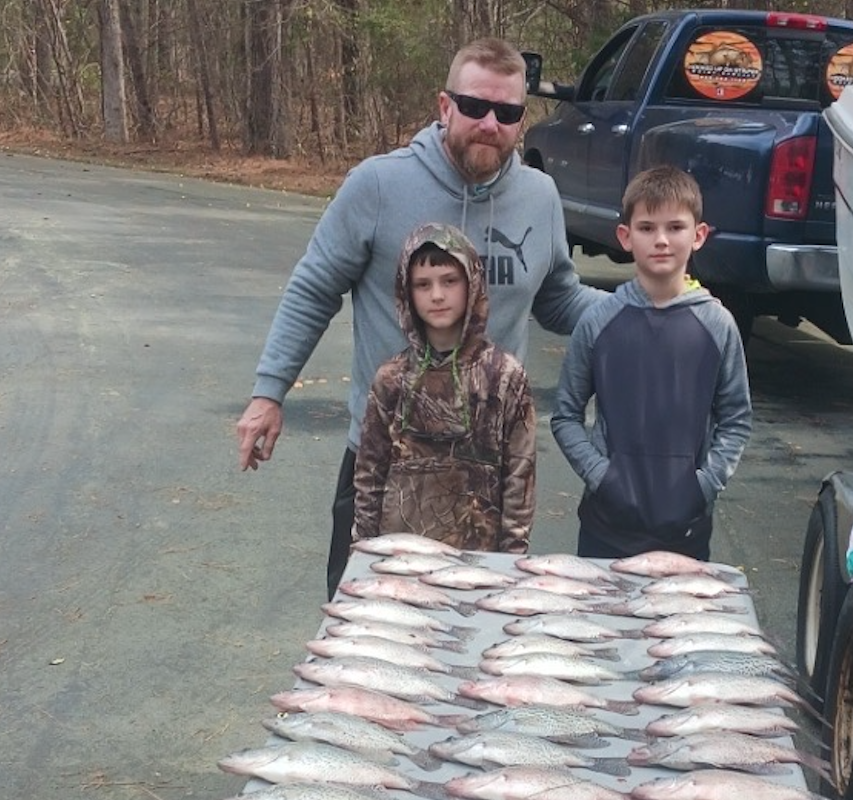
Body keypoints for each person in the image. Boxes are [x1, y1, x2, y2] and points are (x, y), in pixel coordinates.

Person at [235, 37, 601, 596]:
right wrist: (269, 392)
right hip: (387, 462)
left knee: (477, 630)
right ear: (444, 105)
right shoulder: (379, 184)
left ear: (522, 120)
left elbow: (557, 300)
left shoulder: (540, 197)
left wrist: (650, 305)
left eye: (507, 113)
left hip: (488, 468)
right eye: (475, 107)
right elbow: (314, 288)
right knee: (365, 626)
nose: (489, 124)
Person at [551, 165, 752, 561]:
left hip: (686, 530)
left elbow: (736, 418)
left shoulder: (717, 324)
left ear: (698, 235)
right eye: (646, 228)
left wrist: (704, 485)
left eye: (675, 227)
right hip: (605, 528)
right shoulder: (598, 321)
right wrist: (601, 476)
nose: (661, 240)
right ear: (625, 237)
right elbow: (565, 415)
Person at [354, 223, 535, 552]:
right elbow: (369, 476)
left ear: (472, 284)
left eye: (450, 281)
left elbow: (519, 477)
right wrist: (363, 553)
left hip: (479, 564)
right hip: (399, 558)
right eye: (422, 285)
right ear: (406, 293)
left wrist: (513, 560)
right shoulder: (391, 378)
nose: (437, 295)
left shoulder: (505, 377)